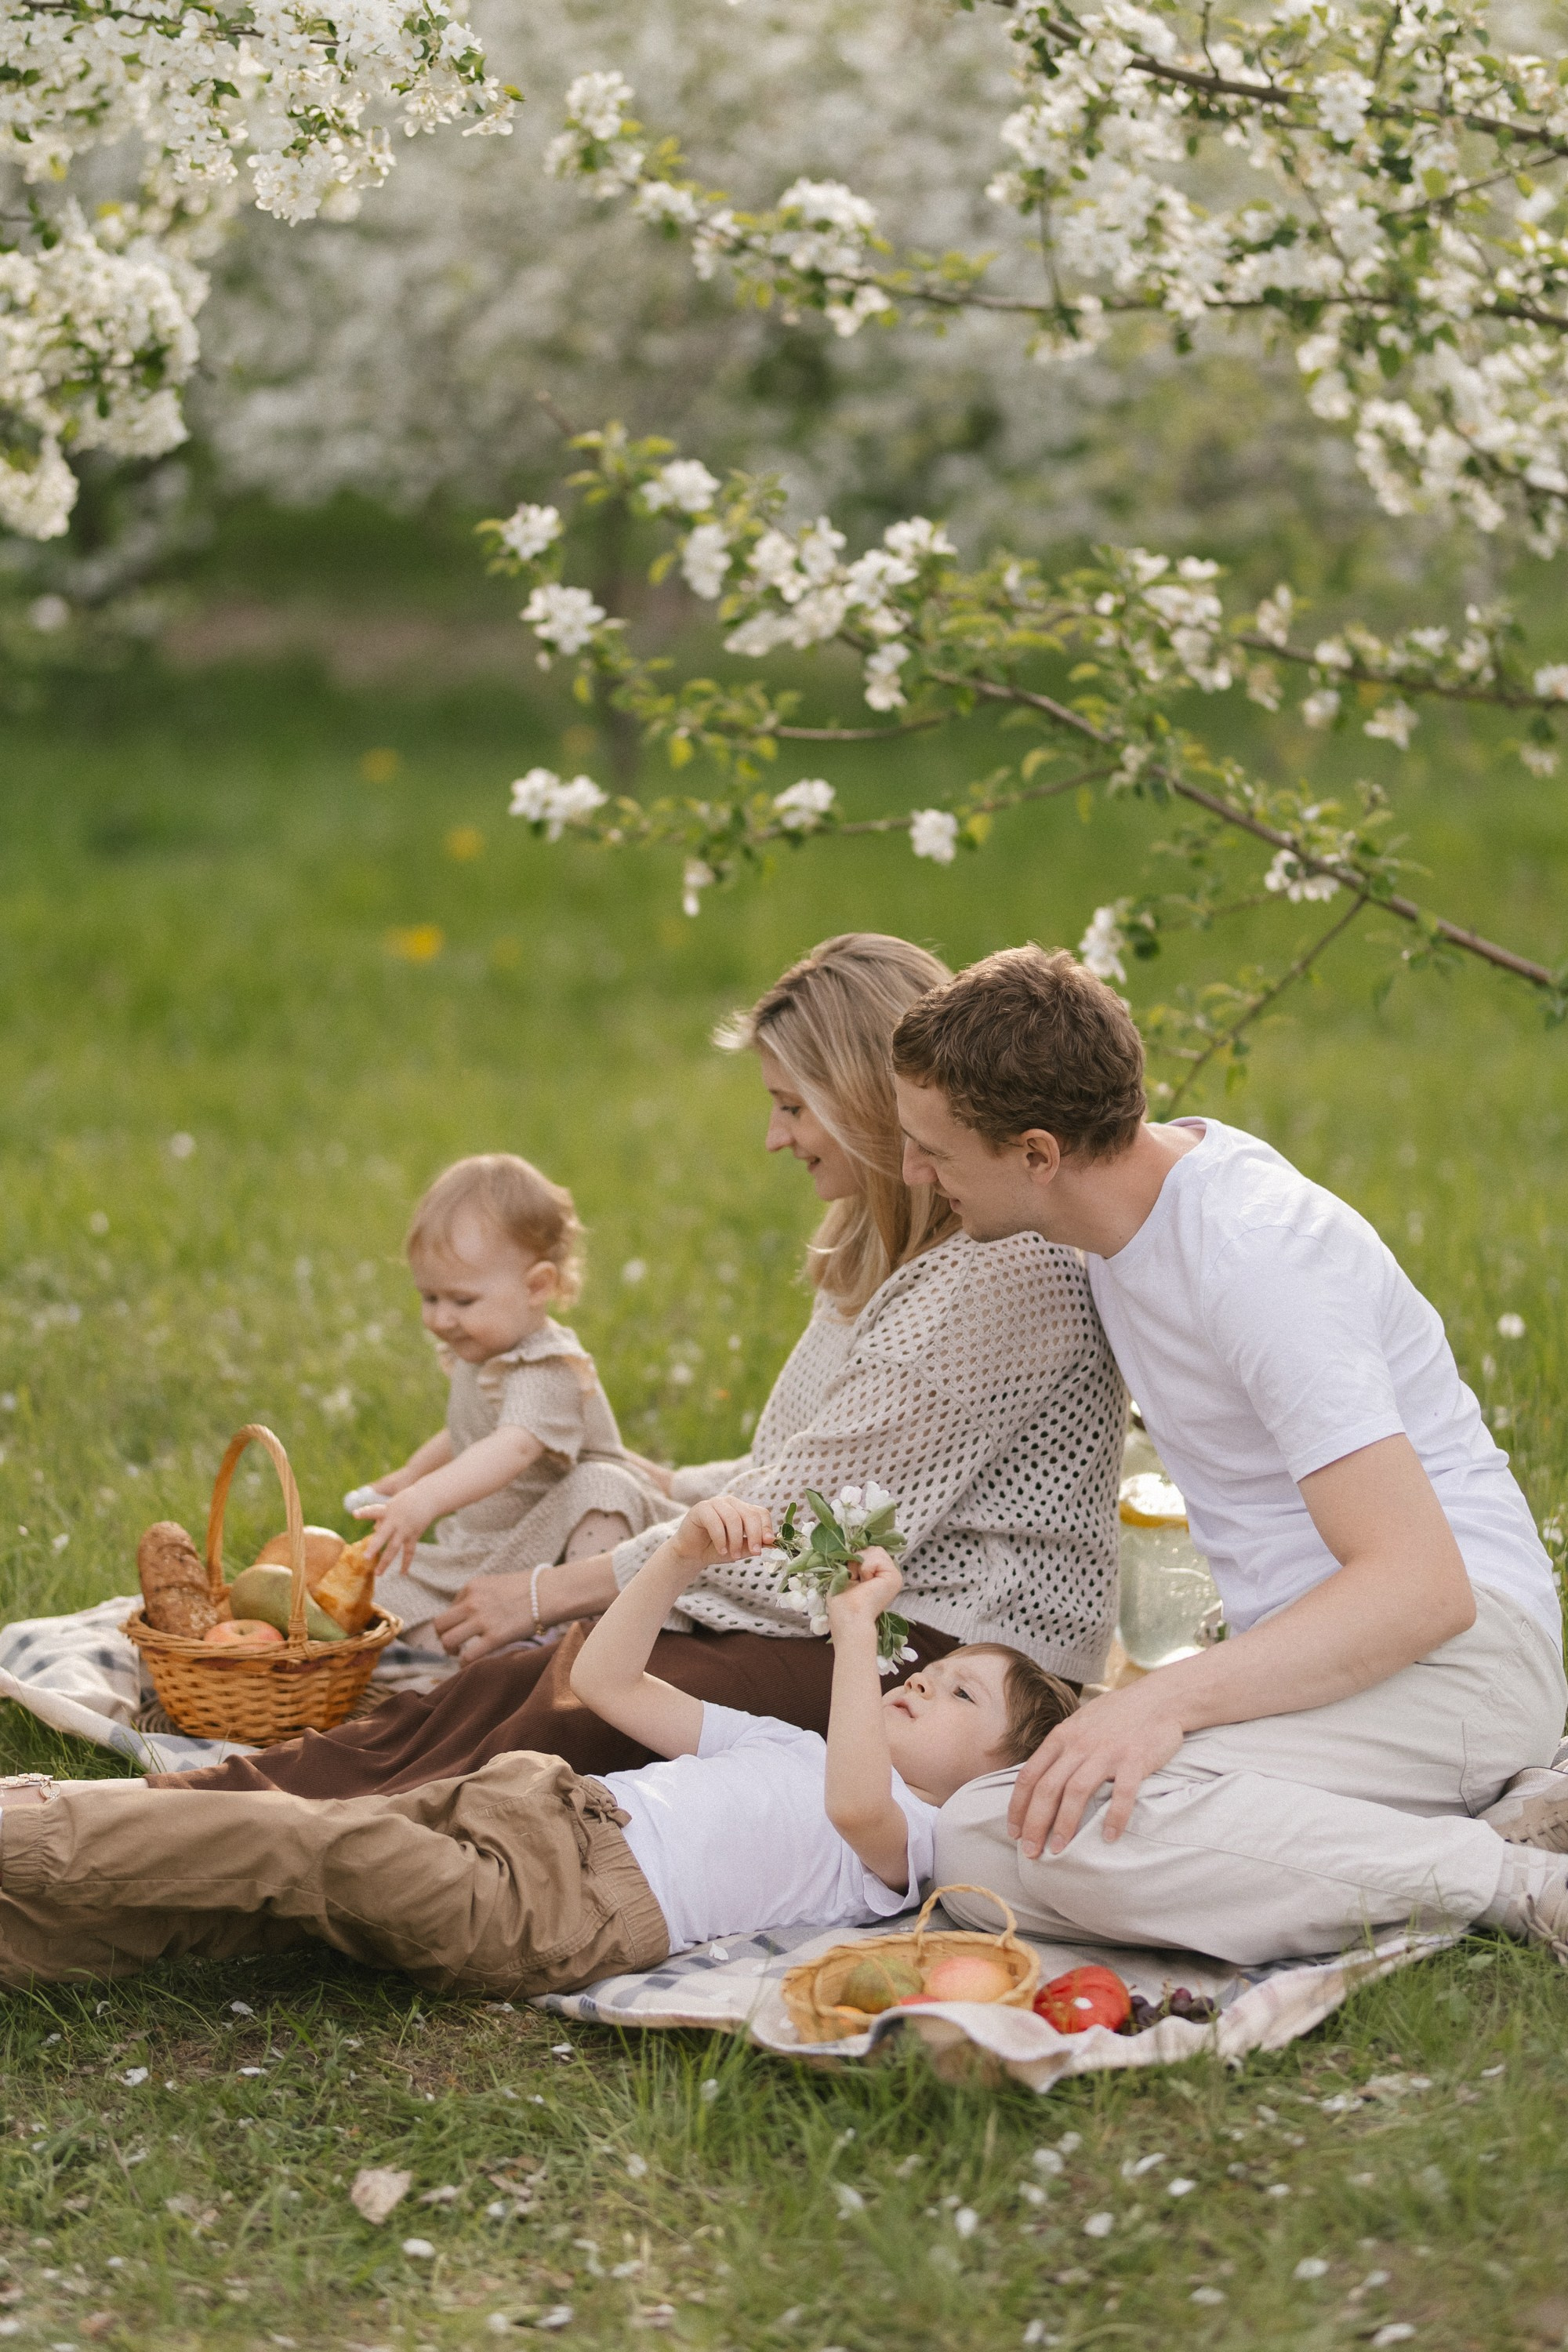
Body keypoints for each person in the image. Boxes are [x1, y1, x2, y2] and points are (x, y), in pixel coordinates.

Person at [150, 932, 1125, 1798]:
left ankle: (256, 1822)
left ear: (872, 1104)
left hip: (956, 1662)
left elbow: (815, 1523)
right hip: (861, 1607)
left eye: (794, 1106)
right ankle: (233, 1802)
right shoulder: (884, 1250)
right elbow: (797, 1470)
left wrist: (549, 1589)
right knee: (521, 1678)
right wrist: (649, 1485)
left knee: (575, 1700)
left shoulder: (1000, 1275)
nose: (773, 1136)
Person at [887, 944, 1568, 1965]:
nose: (912, 1174)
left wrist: (1163, 1701)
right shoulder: (1119, 1211)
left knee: (1027, 1832)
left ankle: (1514, 1880)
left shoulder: (1257, 1256)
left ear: (1038, 1154)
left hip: (1456, 1665)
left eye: (933, 1151)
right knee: (1002, 1824)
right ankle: (1465, 1831)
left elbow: (1425, 1589)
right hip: (1322, 1661)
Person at [0, 1501, 1075, 1995]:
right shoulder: (783, 1745)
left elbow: (855, 1805)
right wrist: (677, 1557)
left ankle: (36, 1823)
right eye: (928, 1669)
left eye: (960, 1690)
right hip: (525, 1806)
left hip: (545, 1913)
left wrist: (853, 1636)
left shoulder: (918, 1844)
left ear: (1000, 1772)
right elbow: (603, 1681)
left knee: (296, 1849)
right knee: (241, 1892)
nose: (924, 1678)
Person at [350, 1152, 667, 1645]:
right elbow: (469, 1434)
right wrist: (413, 1475)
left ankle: (576, 1634)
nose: (439, 1319)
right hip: (490, 1548)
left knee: (604, 1485)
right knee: (381, 1580)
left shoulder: (548, 1366)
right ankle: (466, 1655)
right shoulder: (481, 1349)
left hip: (560, 1547)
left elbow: (512, 1446)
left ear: (537, 1286)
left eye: (461, 1300)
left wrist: (426, 1499)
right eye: (429, 1298)